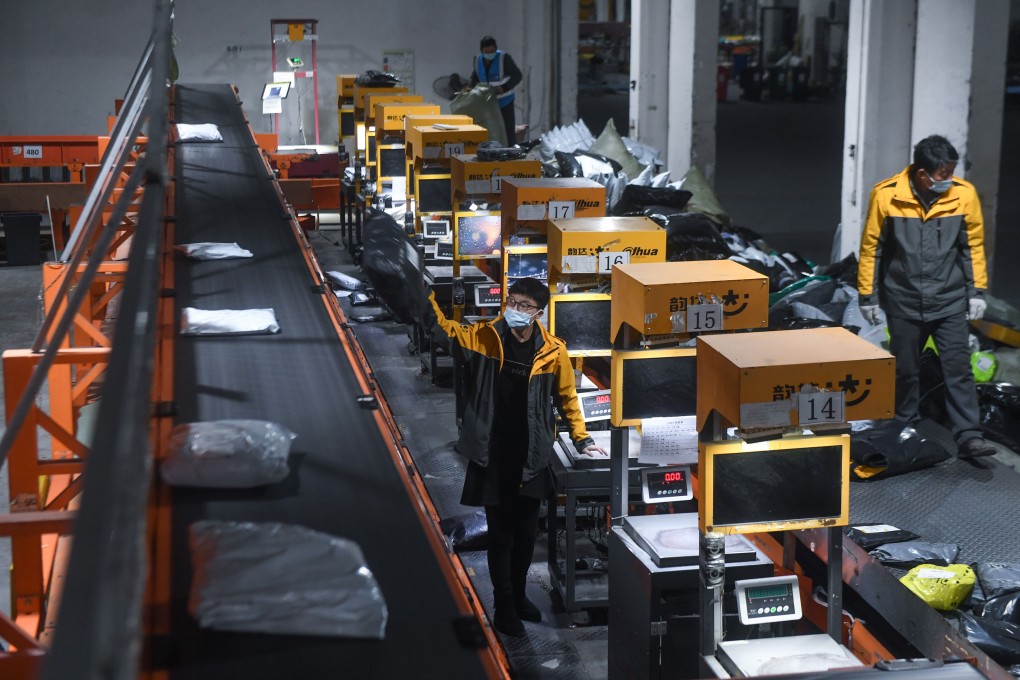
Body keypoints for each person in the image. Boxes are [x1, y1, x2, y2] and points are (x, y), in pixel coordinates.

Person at [422, 277, 607, 637]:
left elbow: (566, 398)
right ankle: (504, 606)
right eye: (512, 302)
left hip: (532, 458)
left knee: (525, 536)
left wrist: (582, 440)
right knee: (501, 537)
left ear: (539, 312)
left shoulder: (554, 351)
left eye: (523, 306)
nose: (514, 311)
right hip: (493, 455)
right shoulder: (484, 337)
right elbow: (441, 330)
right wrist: (422, 292)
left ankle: (520, 596)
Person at [857, 134, 996, 459]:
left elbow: (972, 246)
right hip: (903, 301)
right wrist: (867, 295)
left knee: (958, 369)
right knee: (905, 370)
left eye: (951, 171)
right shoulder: (887, 195)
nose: (948, 179)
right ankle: (904, 426)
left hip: (948, 301)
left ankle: (969, 436)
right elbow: (871, 249)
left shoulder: (964, 195)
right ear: (922, 173)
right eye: (942, 173)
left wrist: (977, 292)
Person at [468, 35, 522, 145]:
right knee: (491, 131)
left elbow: (517, 75)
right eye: (486, 51)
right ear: (481, 50)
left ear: (496, 49)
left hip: (505, 102)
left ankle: (510, 154)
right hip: (488, 103)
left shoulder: (504, 58)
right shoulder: (477, 60)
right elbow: (475, 77)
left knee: (507, 131)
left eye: (492, 51)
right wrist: (469, 88)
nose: (489, 54)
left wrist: (504, 88)